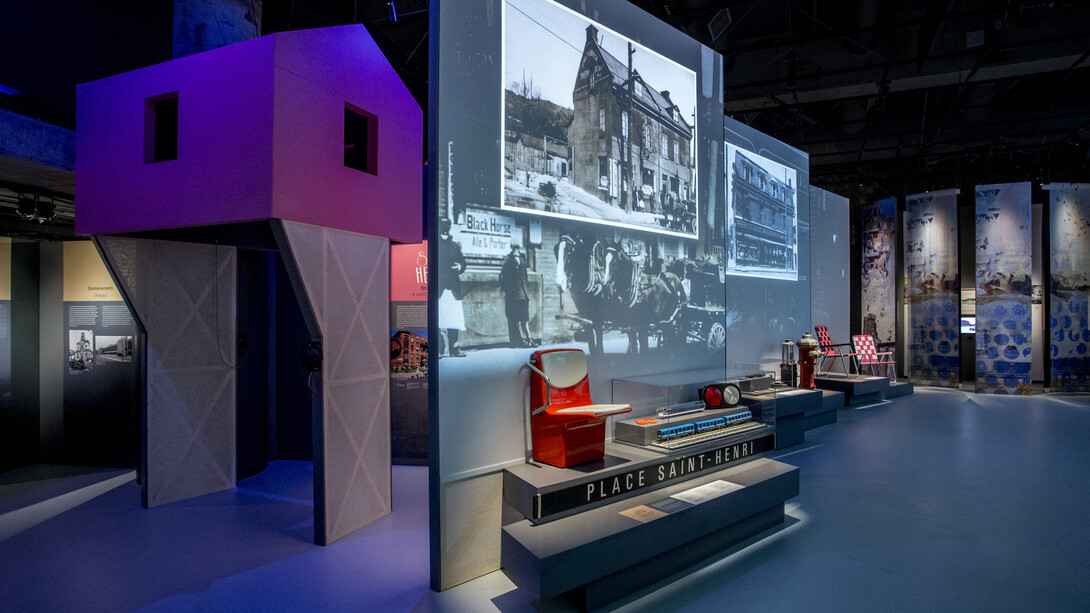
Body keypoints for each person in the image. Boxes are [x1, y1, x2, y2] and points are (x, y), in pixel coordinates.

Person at [437, 218, 467, 357]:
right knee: (438, 318)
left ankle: (454, 348)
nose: (446, 228)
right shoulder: (434, 244)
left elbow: (463, 262)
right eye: (443, 225)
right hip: (438, 289)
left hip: (453, 288)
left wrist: (460, 266)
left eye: (448, 225)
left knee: (453, 318)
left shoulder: (454, 246)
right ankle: (438, 349)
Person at [499, 235, 532, 348]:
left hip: (524, 293)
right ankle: (518, 341)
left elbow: (525, 276)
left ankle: (528, 339)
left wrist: (526, 290)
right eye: (514, 248)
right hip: (514, 294)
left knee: (524, 318)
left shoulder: (522, 260)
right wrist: (509, 290)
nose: (516, 250)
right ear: (511, 248)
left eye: (517, 247)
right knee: (515, 318)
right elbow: (502, 278)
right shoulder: (508, 260)